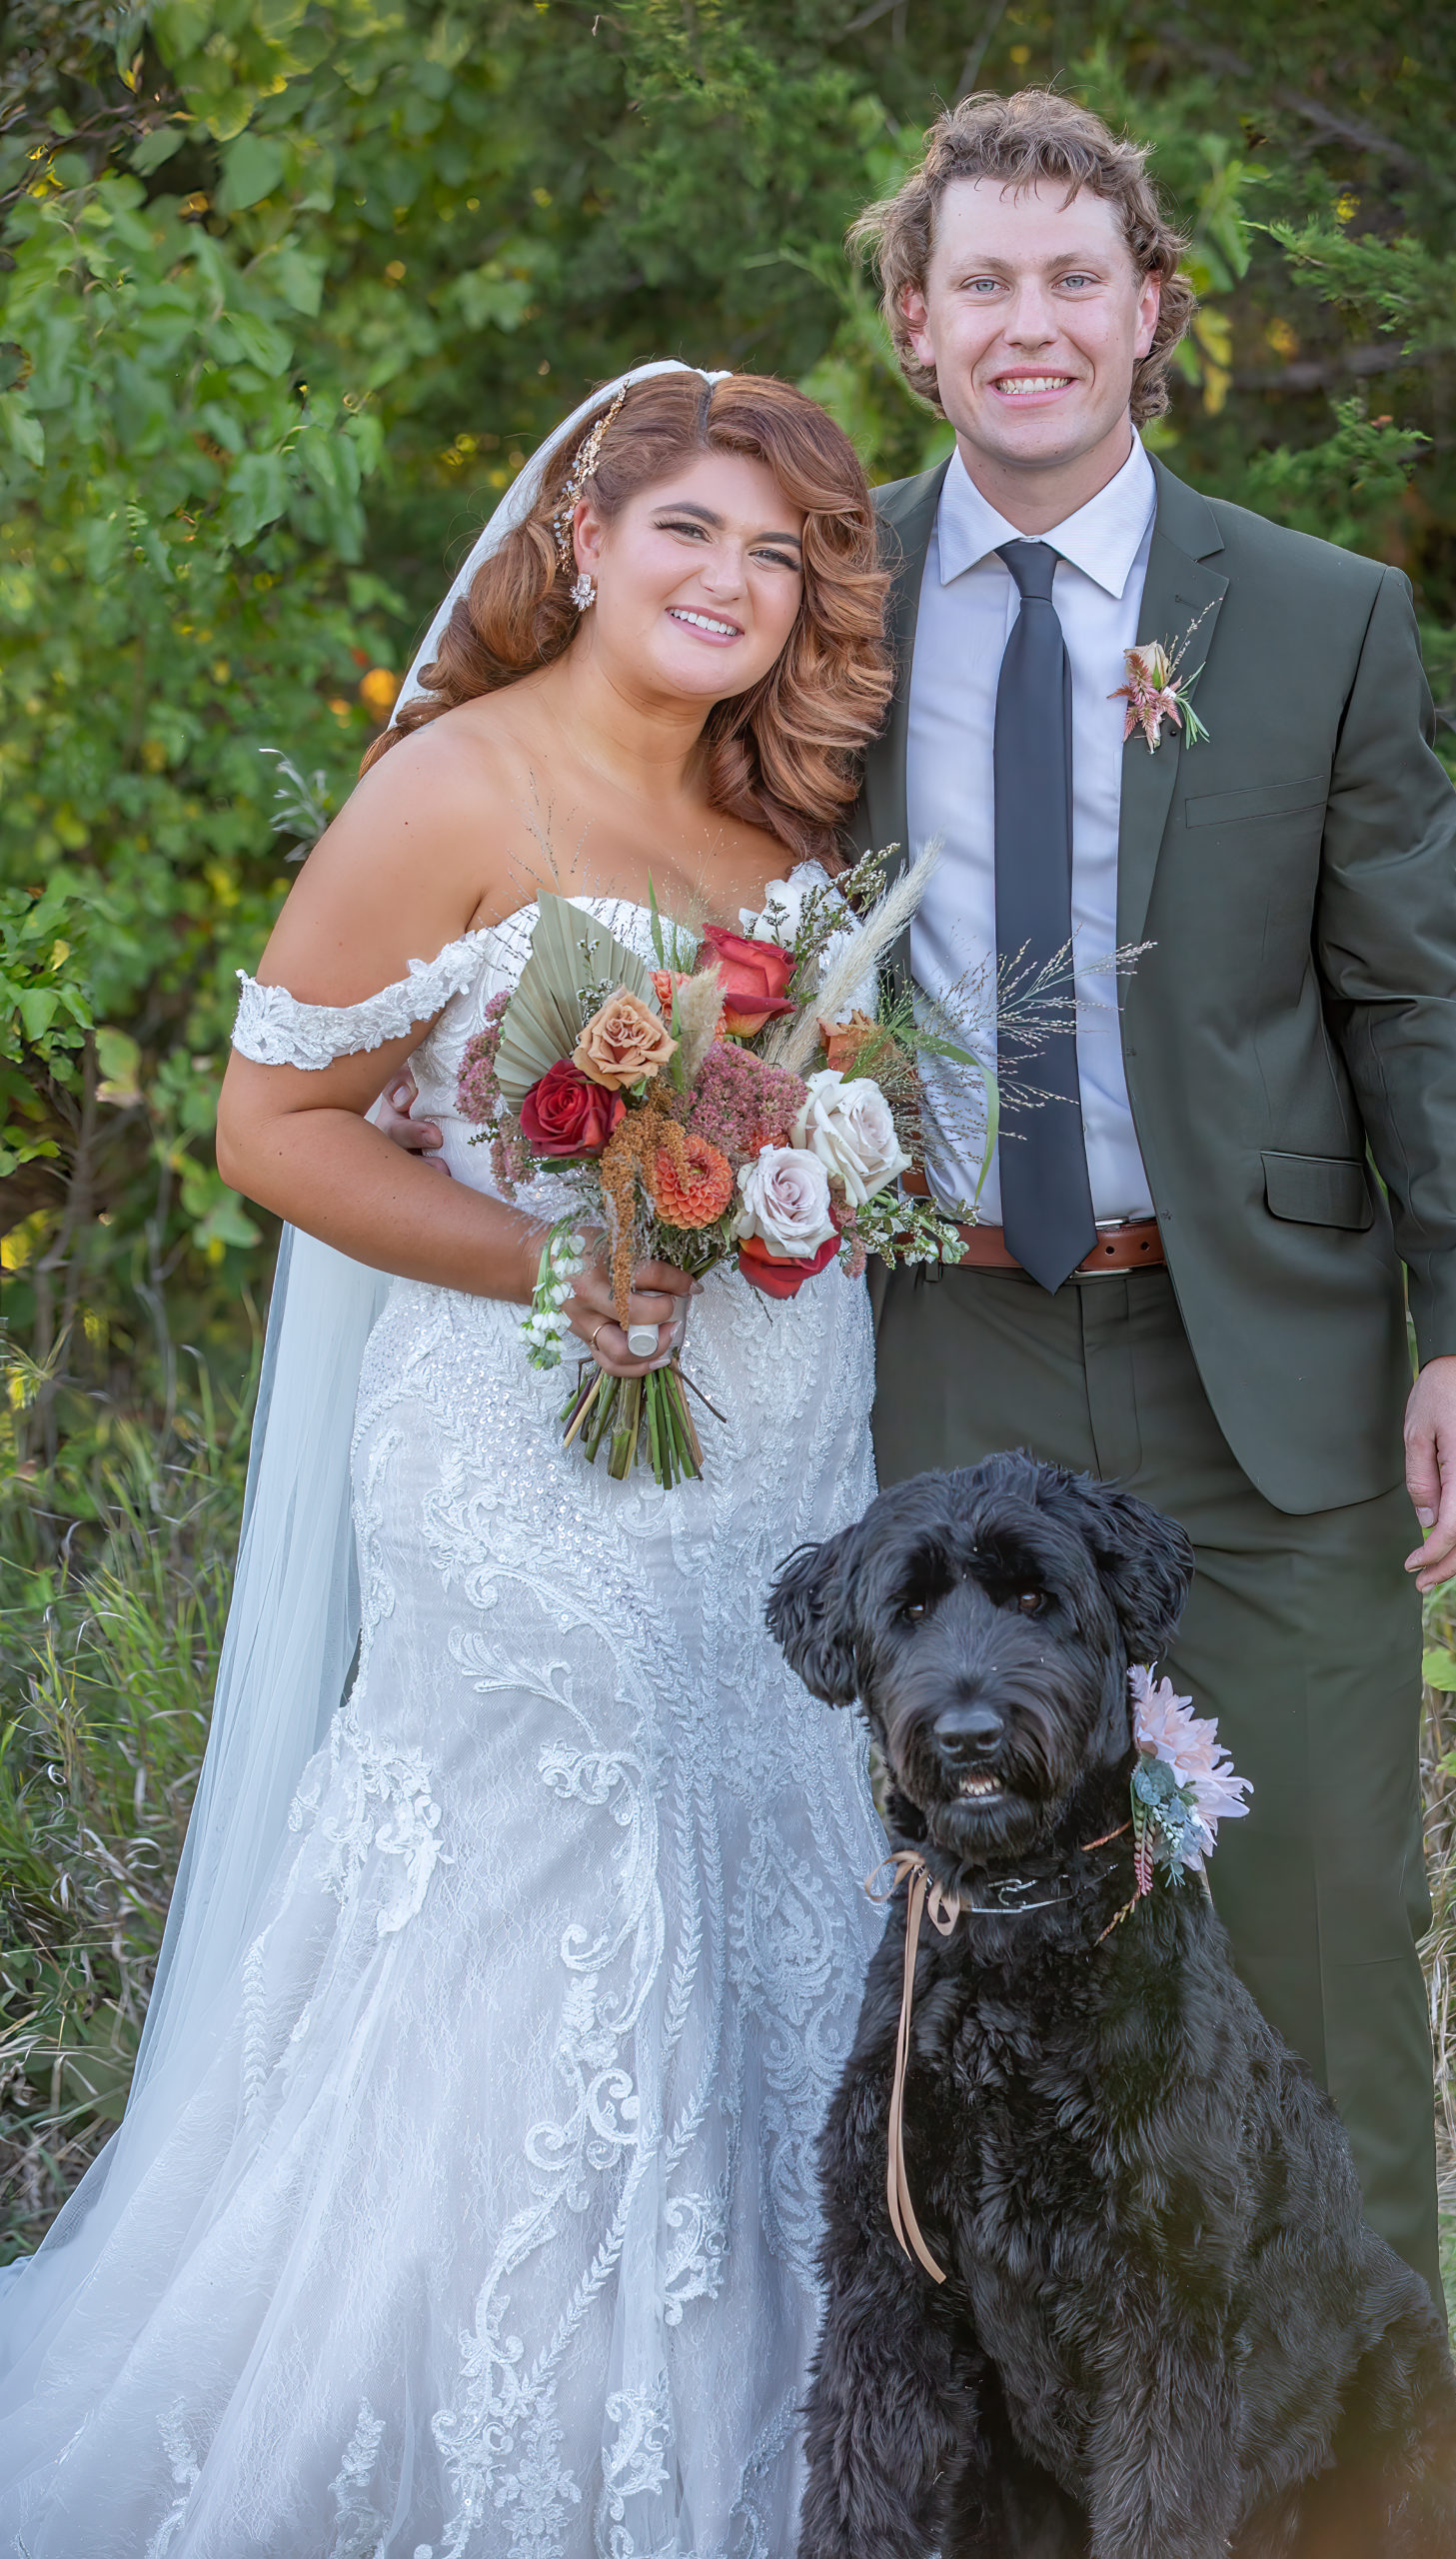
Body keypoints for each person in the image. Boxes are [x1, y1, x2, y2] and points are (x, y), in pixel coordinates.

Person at [0, 366, 895, 2557]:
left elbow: (794, 1121)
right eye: (689, 528)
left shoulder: (782, 838)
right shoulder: (451, 788)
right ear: (583, 540)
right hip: (528, 1464)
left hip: (769, 1458)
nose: (731, 583)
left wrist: (803, 1168)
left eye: (776, 554)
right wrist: (546, 1262)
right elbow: (271, 1124)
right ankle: (503, 2456)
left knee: (765, 1890)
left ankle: (787, 2442)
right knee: (551, 1916)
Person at [846, 88, 1456, 2374]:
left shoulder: (1320, 615)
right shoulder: (816, 612)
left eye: (1073, 279)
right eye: (981, 285)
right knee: (959, 1946)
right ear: (914, 329)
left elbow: (1414, 1000)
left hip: (1260, 1363)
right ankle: (1029, 2464)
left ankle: (1371, 2478)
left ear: (1147, 312)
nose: (1028, 324)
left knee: (1327, 1922)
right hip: (933, 1342)